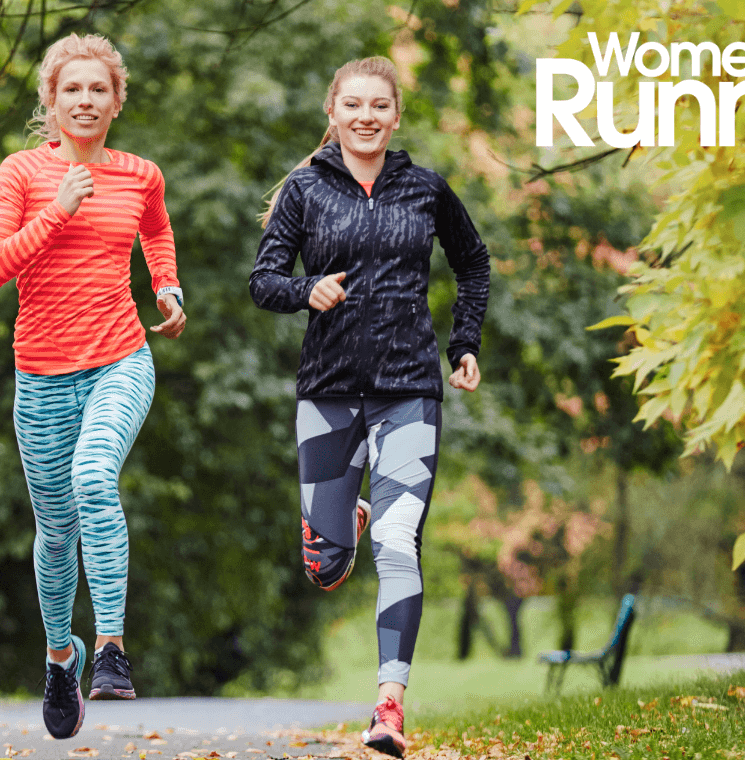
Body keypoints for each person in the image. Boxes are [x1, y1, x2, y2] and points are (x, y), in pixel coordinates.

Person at [248, 57, 491, 758]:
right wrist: (307, 290)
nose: (365, 117)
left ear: (396, 115)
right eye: (352, 105)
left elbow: (473, 263)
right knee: (325, 567)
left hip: (408, 388)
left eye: (379, 106)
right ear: (332, 111)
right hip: (327, 391)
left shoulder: (426, 189)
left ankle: (389, 705)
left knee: (399, 540)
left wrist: (464, 344)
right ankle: (344, 523)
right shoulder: (304, 191)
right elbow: (264, 280)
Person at [0, 33, 186, 740]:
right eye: (73, 89)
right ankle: (60, 656)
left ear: (116, 101)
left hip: (120, 358)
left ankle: (111, 649)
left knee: (95, 476)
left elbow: (156, 231)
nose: (86, 100)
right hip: (41, 375)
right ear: (52, 99)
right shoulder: (21, 173)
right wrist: (55, 211)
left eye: (99, 89)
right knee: (56, 532)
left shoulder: (141, 175)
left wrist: (167, 285)